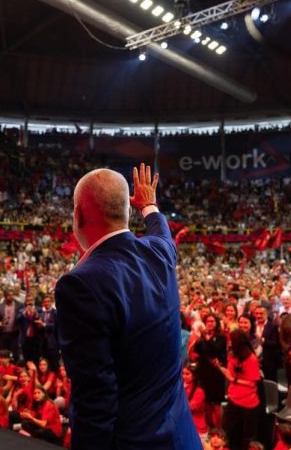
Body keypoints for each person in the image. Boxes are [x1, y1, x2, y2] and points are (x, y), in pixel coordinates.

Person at [54, 164, 201, 449]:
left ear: (78, 214)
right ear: (127, 212)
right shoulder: (159, 254)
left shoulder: (79, 285)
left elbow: (94, 400)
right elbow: (162, 235)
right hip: (182, 439)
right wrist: (149, 205)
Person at [218, 329, 262, 450]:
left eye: (231, 340)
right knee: (230, 432)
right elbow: (230, 374)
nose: (229, 343)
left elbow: (252, 383)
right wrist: (219, 367)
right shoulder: (232, 355)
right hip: (234, 399)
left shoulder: (251, 359)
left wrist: (234, 380)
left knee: (247, 438)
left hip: (248, 403)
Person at [182, 365, 208, 436]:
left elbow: (188, 408)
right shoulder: (181, 388)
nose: (184, 376)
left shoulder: (199, 391)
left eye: (187, 374)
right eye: (182, 373)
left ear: (194, 376)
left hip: (197, 429)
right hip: (183, 426)